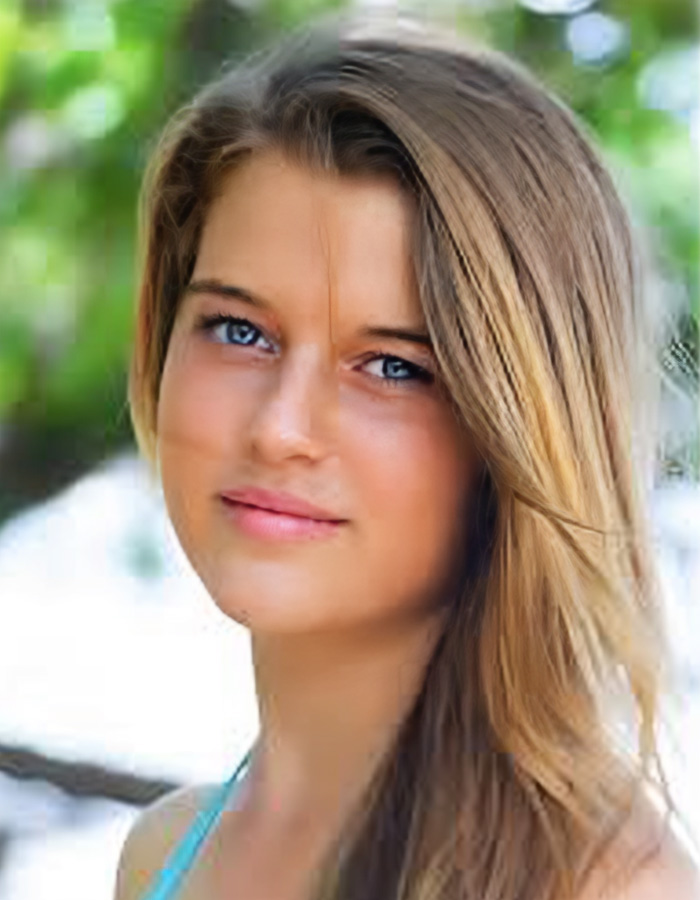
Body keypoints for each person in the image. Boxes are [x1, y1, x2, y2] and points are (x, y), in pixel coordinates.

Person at [114, 10, 700, 900]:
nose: (279, 427)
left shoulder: (608, 887)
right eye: (238, 330)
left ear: (516, 428)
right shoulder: (164, 853)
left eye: (392, 367)